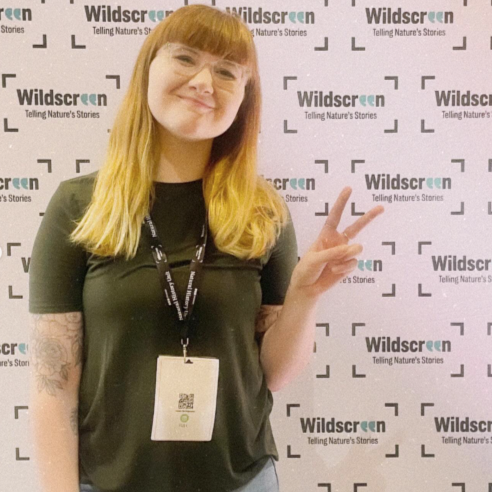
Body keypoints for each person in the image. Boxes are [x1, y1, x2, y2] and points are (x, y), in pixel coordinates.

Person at [27, 4, 384, 492]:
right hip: (110, 482)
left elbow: (276, 375)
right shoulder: (79, 205)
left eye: (226, 72)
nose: (203, 82)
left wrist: (304, 295)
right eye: (185, 58)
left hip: (242, 480)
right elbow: (53, 386)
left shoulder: (262, 212)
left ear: (244, 98)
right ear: (148, 67)